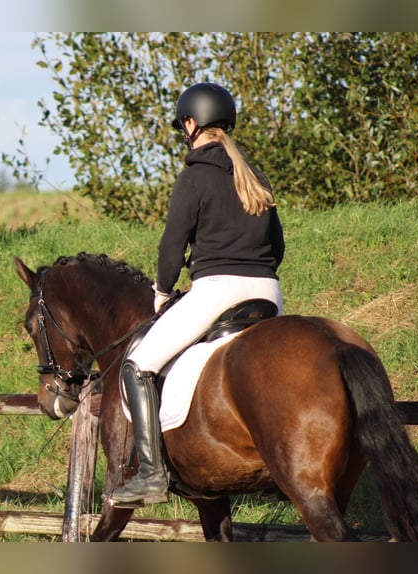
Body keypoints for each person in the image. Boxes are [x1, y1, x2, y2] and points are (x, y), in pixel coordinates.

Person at [110, 82, 285, 506]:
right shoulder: (254, 175)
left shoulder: (195, 176)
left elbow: (172, 245)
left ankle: (151, 475)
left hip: (216, 291)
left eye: (183, 123)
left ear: (191, 123)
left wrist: (162, 291)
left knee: (137, 365)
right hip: (268, 294)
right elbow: (277, 246)